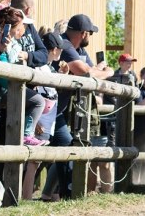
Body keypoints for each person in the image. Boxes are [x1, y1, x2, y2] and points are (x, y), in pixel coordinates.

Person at [53, 14, 112, 198]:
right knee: (63, 147)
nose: (90, 37)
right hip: (53, 108)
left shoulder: (76, 49)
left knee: (62, 147)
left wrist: (97, 71)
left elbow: (90, 70)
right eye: (90, 34)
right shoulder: (66, 46)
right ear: (84, 33)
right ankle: (65, 193)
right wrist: (107, 72)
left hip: (58, 109)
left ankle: (64, 194)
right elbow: (86, 73)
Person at [22, 30, 70, 200]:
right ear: (53, 50)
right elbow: (34, 95)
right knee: (33, 161)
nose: (61, 52)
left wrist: (62, 76)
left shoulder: (48, 68)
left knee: (37, 161)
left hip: (48, 120)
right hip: (40, 120)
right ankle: (25, 198)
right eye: (59, 49)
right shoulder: (39, 67)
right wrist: (34, 122)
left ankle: (26, 196)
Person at [0, 7, 48, 146]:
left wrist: (26, 56)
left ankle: (26, 135)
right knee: (38, 101)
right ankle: (26, 135)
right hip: (7, 88)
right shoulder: (0, 43)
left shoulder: (16, 42)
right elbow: (3, 66)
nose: (21, 31)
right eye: (17, 29)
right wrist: (2, 49)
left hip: (15, 86)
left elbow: (43, 54)